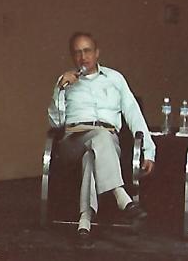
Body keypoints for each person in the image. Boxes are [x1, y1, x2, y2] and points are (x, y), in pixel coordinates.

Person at [47, 31, 156, 246]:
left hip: (106, 141)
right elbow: (55, 123)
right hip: (73, 140)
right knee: (98, 138)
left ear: (97, 53)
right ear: (72, 57)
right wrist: (59, 91)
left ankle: (84, 221)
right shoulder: (65, 81)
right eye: (77, 53)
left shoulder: (115, 79)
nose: (83, 57)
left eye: (87, 51)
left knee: (93, 153)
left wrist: (148, 150)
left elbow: (133, 113)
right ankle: (122, 197)